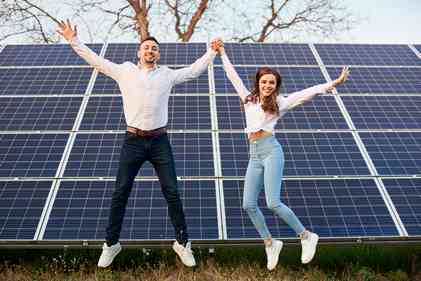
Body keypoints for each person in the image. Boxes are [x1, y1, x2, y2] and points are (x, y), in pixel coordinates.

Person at [57, 19, 219, 268]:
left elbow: (194, 70)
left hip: (159, 141)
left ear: (159, 53)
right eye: (146, 47)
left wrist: (211, 51)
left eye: (154, 48)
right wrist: (73, 40)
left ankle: (182, 243)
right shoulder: (124, 71)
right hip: (132, 140)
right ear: (139, 52)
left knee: (172, 192)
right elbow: (95, 61)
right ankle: (111, 245)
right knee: (120, 192)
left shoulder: (167, 75)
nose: (150, 51)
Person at [214, 39, 349, 270]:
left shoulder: (281, 102)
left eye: (272, 83)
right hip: (254, 154)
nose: (267, 85)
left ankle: (306, 236)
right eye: (264, 81)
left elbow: (308, 93)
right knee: (248, 204)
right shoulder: (248, 99)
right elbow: (231, 75)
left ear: (276, 86)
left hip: (271, 151)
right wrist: (222, 53)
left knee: (273, 202)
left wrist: (334, 82)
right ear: (258, 82)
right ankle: (270, 242)